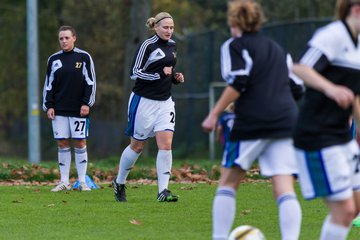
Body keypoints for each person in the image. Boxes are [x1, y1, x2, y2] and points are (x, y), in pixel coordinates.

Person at [201, 1, 302, 239]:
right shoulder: (277, 48)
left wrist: (214, 114)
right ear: (259, 21)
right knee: (284, 187)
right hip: (286, 120)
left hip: (251, 121)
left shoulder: (233, 46)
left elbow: (238, 81)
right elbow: (297, 88)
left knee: (228, 182)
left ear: (233, 22)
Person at [292, 0, 360, 238]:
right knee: (344, 210)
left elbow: (355, 97)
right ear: (356, 10)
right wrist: (330, 88)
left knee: (355, 207)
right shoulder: (333, 35)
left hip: (344, 138)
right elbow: (300, 68)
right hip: (317, 135)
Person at [112, 12, 185, 202]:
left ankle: (163, 191)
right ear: (156, 27)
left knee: (166, 144)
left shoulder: (172, 46)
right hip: (143, 101)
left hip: (165, 102)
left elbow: (167, 71)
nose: (169, 31)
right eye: (165, 27)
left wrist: (175, 77)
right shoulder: (147, 45)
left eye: (172, 27)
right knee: (137, 146)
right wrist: (161, 74)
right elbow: (134, 73)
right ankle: (119, 182)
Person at [42, 25, 96, 192]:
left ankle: (81, 182)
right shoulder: (53, 60)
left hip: (79, 109)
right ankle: (64, 181)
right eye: (61, 38)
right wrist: (49, 105)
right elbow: (48, 85)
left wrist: (87, 103)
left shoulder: (84, 57)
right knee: (62, 142)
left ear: (74, 38)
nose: (64, 41)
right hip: (58, 110)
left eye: (67, 38)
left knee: (80, 142)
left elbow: (90, 83)